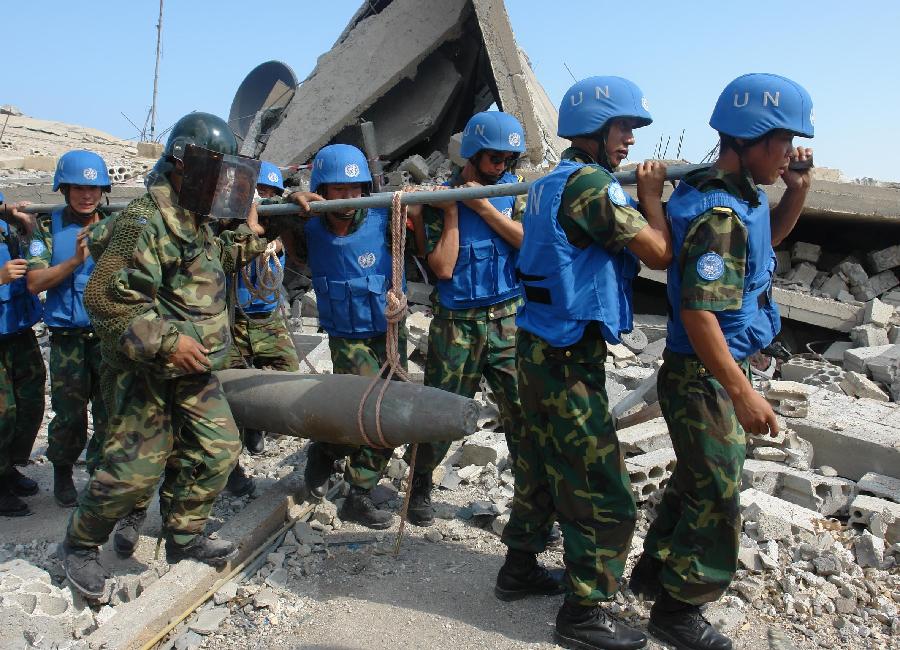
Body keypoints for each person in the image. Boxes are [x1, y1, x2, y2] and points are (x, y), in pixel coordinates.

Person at [59, 112, 308, 599]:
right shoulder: (145, 221)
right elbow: (106, 300)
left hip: (197, 371)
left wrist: (282, 221)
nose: (222, 183)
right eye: (215, 172)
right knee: (133, 474)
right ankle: (80, 545)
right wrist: (170, 341)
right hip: (147, 372)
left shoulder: (198, 219)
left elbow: (221, 259)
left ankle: (184, 534)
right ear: (183, 165)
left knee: (217, 450)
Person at [628, 73, 814, 650]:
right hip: (705, 373)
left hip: (718, 368)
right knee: (717, 489)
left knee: (695, 474)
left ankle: (655, 572)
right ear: (754, 139)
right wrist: (743, 392)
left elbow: (766, 245)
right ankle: (679, 611)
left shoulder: (746, 197)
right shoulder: (718, 216)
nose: (788, 155)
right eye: (783, 143)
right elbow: (700, 316)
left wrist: (798, 190)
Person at [500, 76, 672, 650]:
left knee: (543, 461)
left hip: (537, 345)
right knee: (602, 488)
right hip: (567, 357)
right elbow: (658, 253)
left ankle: (519, 568)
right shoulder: (594, 187)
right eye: (622, 128)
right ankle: (583, 612)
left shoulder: (550, 182)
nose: (629, 141)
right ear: (594, 131)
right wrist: (651, 197)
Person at [407, 111, 531, 532]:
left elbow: (528, 246)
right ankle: (419, 482)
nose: (502, 168)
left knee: (523, 414)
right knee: (442, 409)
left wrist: (484, 206)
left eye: (508, 161)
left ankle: (532, 503)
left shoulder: (511, 192)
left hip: (509, 320)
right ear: (475, 155)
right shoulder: (440, 200)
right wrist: (458, 211)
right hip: (457, 322)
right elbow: (442, 268)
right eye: (495, 159)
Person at [297, 143, 413, 530]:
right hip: (347, 339)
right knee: (365, 413)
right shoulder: (309, 225)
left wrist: (418, 202)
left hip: (390, 332)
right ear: (322, 190)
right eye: (338, 190)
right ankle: (329, 447)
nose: (348, 199)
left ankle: (358, 491)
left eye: (355, 189)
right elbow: (264, 210)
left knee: (392, 416)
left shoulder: (384, 216)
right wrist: (291, 196)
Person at [26, 150, 110, 507]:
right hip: (68, 340)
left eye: (93, 188)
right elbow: (34, 282)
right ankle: (62, 471)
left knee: (109, 411)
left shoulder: (115, 224)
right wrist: (76, 260)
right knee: (70, 413)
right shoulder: (47, 228)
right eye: (78, 188)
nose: (86, 195)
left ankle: (100, 475)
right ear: (64, 189)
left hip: (106, 338)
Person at [223, 160, 300, 497]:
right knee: (229, 391)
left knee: (287, 371)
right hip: (234, 320)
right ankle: (231, 467)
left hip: (267, 318)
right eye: (256, 192)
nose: (262, 199)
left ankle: (258, 425)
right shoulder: (231, 231)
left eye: (269, 193)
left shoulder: (281, 232)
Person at [0, 190, 45, 517]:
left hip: (17, 326)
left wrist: (26, 229)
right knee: (3, 412)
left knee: (30, 401)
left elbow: (36, 255)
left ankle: (8, 467)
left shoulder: (5, 222)